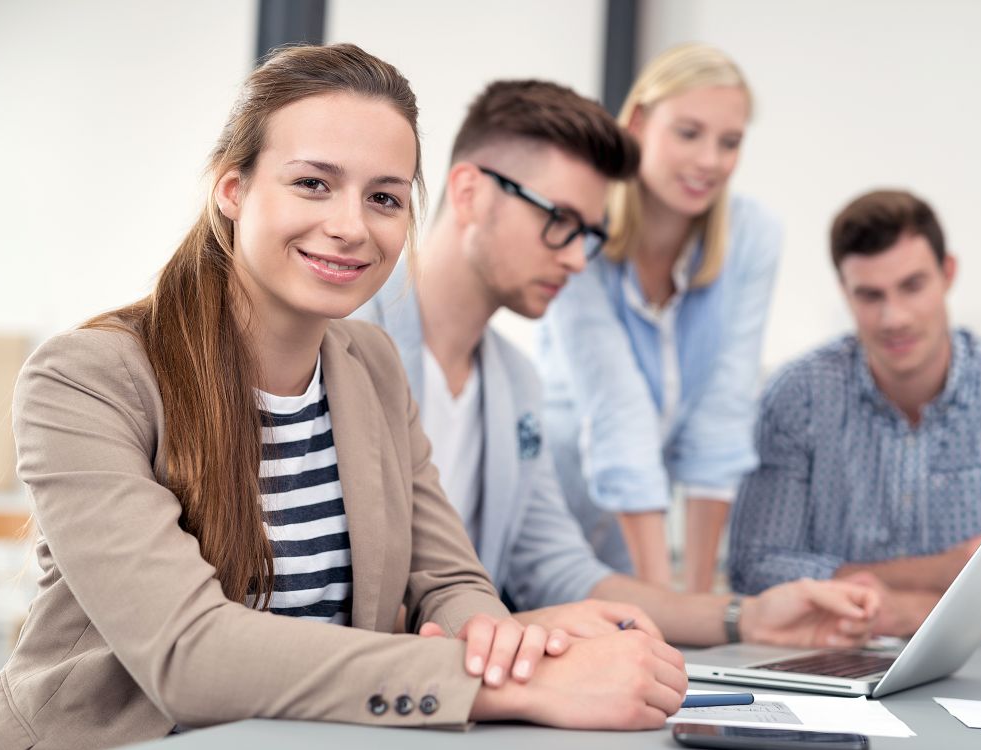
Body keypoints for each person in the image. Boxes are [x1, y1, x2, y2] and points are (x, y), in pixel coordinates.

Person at [0, 45, 691, 750]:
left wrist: (499, 641)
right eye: (313, 183)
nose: (352, 226)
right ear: (233, 189)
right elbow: (189, 654)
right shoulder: (84, 379)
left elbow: (450, 578)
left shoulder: (371, 364)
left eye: (384, 198)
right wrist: (517, 686)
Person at [355, 79, 877, 650]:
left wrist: (744, 617)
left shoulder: (514, 386)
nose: (578, 258)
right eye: (560, 220)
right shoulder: (343, 341)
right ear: (470, 192)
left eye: (589, 234)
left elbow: (562, 570)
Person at [728, 189, 981, 638]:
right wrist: (942, 571)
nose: (894, 318)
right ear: (845, 293)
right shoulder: (797, 398)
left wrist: (895, 612)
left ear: (948, 274)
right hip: (825, 654)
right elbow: (755, 569)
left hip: (976, 667)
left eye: (912, 286)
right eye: (870, 295)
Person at [535, 44, 781, 592]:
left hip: (634, 540)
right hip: (547, 523)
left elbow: (722, 413)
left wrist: (693, 603)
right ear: (641, 122)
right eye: (689, 133)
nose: (710, 161)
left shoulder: (752, 238)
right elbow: (617, 412)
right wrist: (666, 611)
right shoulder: (584, 229)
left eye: (730, 142)